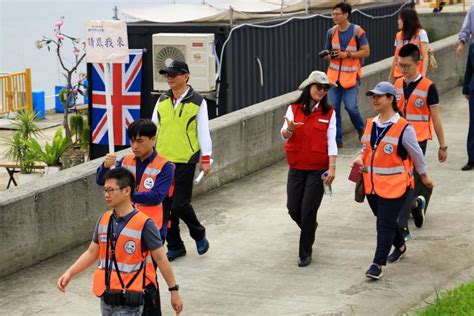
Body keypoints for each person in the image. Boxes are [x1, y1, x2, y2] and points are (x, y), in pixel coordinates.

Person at [58, 167, 183, 315]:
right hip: (107, 298)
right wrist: (70, 273)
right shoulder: (104, 219)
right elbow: (92, 252)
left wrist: (173, 290)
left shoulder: (145, 224)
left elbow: (161, 259)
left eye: (111, 190)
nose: (106, 195)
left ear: (126, 191)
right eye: (105, 190)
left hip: (131, 300)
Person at [352, 81, 433, 280]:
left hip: (395, 186)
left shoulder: (404, 128)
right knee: (385, 221)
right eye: (372, 95)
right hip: (372, 186)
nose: (374, 99)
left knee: (383, 225)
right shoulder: (371, 123)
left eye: (379, 96)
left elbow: (417, 155)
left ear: (391, 99)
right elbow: (366, 149)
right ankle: (401, 245)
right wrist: (359, 159)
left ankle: (377, 264)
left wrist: (424, 176)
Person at [151, 60, 212, 261]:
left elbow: (203, 131)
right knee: (165, 208)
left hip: (185, 160)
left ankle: (198, 233)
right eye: (167, 75)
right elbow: (154, 128)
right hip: (162, 162)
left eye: (173, 75)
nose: (169, 78)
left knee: (180, 204)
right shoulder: (161, 101)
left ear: (185, 76)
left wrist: (206, 158)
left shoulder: (197, 101)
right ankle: (176, 246)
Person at [281, 71, 337, 267]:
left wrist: (332, 168)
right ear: (309, 87)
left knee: (308, 210)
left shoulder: (329, 112)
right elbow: (284, 135)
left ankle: (305, 252)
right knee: (293, 208)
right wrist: (290, 129)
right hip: (296, 167)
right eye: (318, 87)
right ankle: (310, 227)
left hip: (317, 169)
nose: (321, 91)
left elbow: (332, 142)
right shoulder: (293, 109)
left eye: (325, 88)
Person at [394, 44, 447, 236]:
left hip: (418, 139)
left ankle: (409, 211)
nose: (403, 69)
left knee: (411, 178)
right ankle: (418, 202)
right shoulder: (397, 84)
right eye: (400, 65)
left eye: (407, 66)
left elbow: (436, 118)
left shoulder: (428, 87)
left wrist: (443, 146)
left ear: (418, 63)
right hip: (399, 139)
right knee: (404, 177)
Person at [96, 119, 174, 240]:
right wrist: (105, 167)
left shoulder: (165, 166)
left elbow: (156, 197)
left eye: (139, 141)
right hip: (124, 224)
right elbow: (102, 181)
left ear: (153, 139)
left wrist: (124, 194)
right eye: (132, 141)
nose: (134, 146)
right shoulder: (124, 161)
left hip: (151, 227)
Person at [324, 1, 370, 148]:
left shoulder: (357, 31)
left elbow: (366, 51)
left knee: (351, 107)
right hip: (333, 78)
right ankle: (336, 139)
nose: (334, 16)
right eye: (333, 14)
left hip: (350, 78)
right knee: (332, 107)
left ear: (346, 15)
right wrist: (329, 55)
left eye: (337, 14)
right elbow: (327, 53)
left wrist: (346, 55)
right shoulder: (331, 32)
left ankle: (361, 129)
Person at [388, 7, 430, 83]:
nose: (398, 21)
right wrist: (391, 76)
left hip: (415, 75)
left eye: (400, 19)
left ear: (406, 20)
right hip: (399, 75)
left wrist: (423, 76)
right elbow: (396, 57)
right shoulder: (398, 35)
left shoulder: (421, 33)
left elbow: (425, 56)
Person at [462, 42, 474, 171]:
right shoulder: (472, 46)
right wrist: (466, 89)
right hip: (473, 89)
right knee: (473, 125)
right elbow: (469, 68)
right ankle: (472, 159)